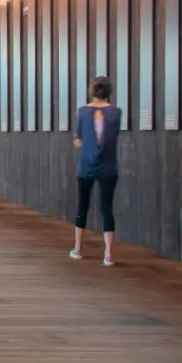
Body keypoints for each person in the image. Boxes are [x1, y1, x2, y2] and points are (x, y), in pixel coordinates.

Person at [71, 76, 122, 266]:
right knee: (106, 209)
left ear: (92, 91)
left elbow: (79, 140)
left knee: (82, 206)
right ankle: (108, 254)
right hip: (108, 167)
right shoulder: (116, 113)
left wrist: (81, 144)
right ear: (109, 92)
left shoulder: (83, 111)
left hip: (86, 166)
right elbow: (112, 136)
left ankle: (78, 248)